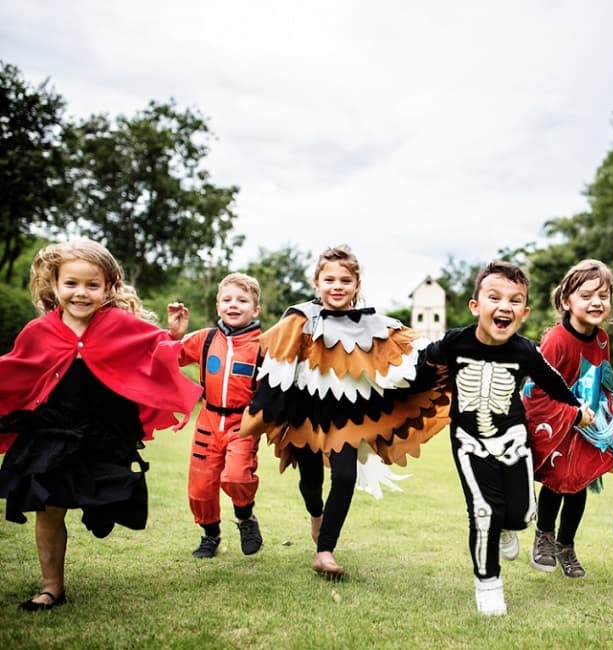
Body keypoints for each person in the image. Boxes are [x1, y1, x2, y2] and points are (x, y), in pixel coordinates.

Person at [0, 239, 201, 610]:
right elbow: (15, 370)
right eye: (71, 284)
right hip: (51, 431)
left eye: (92, 285)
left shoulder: (121, 325)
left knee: (105, 503)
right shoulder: (39, 331)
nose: (81, 293)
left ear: (109, 288)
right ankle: (51, 587)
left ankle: (100, 511)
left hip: (103, 432)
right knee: (48, 507)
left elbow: (157, 354)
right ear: (55, 285)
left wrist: (173, 336)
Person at [240, 245, 449, 580]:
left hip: (347, 416)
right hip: (304, 413)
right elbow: (266, 357)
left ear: (356, 283)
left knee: (346, 477)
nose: (337, 286)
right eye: (329, 279)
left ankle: (325, 551)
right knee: (311, 481)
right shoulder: (299, 320)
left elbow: (416, 350)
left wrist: (457, 348)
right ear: (317, 282)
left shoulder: (375, 324)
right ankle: (316, 516)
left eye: (345, 280)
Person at [423, 260, 595, 616]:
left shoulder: (524, 350)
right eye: (494, 297)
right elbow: (422, 364)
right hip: (468, 441)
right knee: (484, 510)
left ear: (525, 312)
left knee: (518, 515)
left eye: (515, 301)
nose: (504, 307)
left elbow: (553, 383)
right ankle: (488, 584)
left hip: (513, 438)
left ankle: (507, 527)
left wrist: (577, 409)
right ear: (476, 306)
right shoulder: (455, 342)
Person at [522, 259, 613, 579]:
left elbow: (602, 377)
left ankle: (566, 545)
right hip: (559, 422)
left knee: (579, 485)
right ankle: (544, 536)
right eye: (587, 295)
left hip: (587, 425)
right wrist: (571, 414)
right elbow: (538, 390)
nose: (596, 302)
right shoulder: (556, 340)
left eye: (603, 296)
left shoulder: (602, 338)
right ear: (567, 301)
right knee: (558, 481)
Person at [166, 273, 264, 559]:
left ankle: (246, 518)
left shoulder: (264, 345)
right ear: (218, 304)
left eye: (242, 300)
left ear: (255, 309)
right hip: (208, 421)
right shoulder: (205, 338)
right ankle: (210, 536)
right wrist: (173, 335)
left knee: (237, 477)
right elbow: (170, 356)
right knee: (200, 486)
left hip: (243, 423)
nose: (234, 305)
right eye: (227, 299)